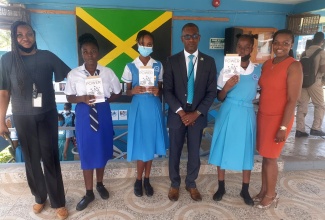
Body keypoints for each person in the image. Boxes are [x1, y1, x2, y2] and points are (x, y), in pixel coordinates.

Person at [0, 21, 70, 219]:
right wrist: (1, 119)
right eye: (20, 35)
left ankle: (58, 202)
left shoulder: (47, 56)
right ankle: (40, 197)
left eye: (29, 34)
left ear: (34, 35)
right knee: (31, 160)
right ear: (14, 38)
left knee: (50, 158)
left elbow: (70, 76)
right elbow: (4, 92)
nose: (25, 38)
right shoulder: (7, 60)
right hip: (22, 117)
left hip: (47, 115)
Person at [64, 33, 122, 211]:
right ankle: (88, 192)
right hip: (83, 113)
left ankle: (100, 184)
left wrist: (104, 100)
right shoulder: (74, 74)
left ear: (98, 53)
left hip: (102, 112)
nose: (89, 55)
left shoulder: (107, 72)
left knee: (102, 149)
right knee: (87, 151)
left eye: (93, 51)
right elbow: (69, 96)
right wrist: (82, 98)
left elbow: (118, 91)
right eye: (85, 51)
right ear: (82, 53)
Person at [163, 23, 217, 202]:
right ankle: (175, 184)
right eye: (187, 36)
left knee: (195, 152)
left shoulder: (208, 62)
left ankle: (191, 183)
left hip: (197, 116)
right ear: (182, 39)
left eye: (194, 36)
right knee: (175, 151)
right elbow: (167, 91)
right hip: (177, 114)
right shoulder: (171, 61)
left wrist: (197, 113)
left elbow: (211, 92)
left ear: (199, 37)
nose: (191, 39)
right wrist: (181, 112)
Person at [208, 34, 259, 206]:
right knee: (223, 146)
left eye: (246, 46)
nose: (242, 50)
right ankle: (221, 186)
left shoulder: (258, 71)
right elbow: (219, 97)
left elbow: (261, 93)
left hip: (246, 112)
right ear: (235, 48)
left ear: (252, 48)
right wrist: (227, 86)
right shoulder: (227, 69)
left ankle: (245, 189)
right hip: (228, 110)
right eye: (239, 46)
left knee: (246, 149)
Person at [254, 29, 303, 209]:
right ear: (272, 44)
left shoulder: (294, 65)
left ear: (291, 45)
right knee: (265, 156)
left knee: (272, 157)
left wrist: (283, 127)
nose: (280, 46)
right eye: (277, 43)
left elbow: (292, 99)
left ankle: (271, 195)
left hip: (279, 119)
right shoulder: (267, 64)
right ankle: (263, 190)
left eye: (285, 43)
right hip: (263, 116)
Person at [121, 30, 168, 197]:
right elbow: (126, 92)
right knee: (142, 145)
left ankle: (147, 179)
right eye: (143, 44)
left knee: (151, 145)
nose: (146, 47)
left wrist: (158, 90)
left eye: (149, 44)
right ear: (137, 44)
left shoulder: (158, 65)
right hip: (138, 108)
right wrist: (133, 90)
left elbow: (161, 88)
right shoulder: (130, 66)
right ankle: (138, 180)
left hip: (153, 107)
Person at [296, 32, 325, 137]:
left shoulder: (305, 52)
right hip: (315, 82)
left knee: (302, 105)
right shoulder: (322, 52)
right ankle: (316, 128)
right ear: (322, 42)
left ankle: (300, 130)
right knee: (320, 105)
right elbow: (322, 68)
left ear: (313, 40)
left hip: (303, 82)